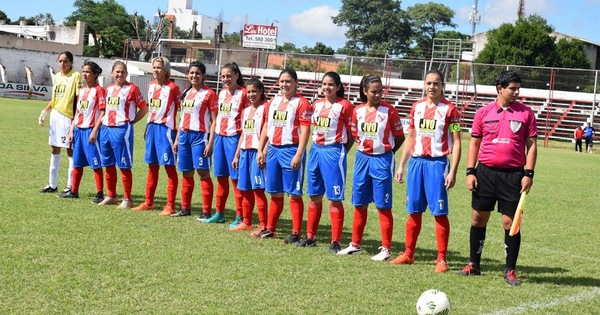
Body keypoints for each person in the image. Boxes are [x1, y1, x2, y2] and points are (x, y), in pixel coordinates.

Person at [457, 70, 537, 286]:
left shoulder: (526, 114)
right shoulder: (483, 113)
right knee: (477, 218)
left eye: (518, 88)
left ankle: (510, 270)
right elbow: (474, 143)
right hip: (485, 173)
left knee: (510, 222)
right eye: (512, 88)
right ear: (499, 88)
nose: (517, 92)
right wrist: (470, 171)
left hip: (513, 175)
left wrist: (528, 173)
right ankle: (474, 264)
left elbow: (531, 145)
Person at [389, 70, 461, 273]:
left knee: (439, 212)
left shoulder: (450, 110)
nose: (432, 87)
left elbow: (456, 142)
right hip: (416, 164)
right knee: (413, 210)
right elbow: (410, 137)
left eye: (436, 83)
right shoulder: (416, 107)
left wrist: (452, 171)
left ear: (442, 85)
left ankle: (441, 259)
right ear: (424, 84)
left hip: (437, 164)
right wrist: (402, 165)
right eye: (429, 83)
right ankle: (408, 254)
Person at [337, 74, 404, 261]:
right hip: (361, 159)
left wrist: (386, 152)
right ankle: (355, 245)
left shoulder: (389, 111)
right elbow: (354, 133)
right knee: (359, 202)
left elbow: (400, 138)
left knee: (383, 205)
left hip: (382, 159)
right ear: (365, 91)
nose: (378, 94)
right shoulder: (357, 111)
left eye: (380, 91)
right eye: (374, 91)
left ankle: (386, 249)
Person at [255, 68, 313, 243]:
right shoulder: (273, 102)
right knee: (275, 192)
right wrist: (261, 149)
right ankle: (270, 229)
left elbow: (305, 130)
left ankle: (296, 232)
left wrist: (299, 154)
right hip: (273, 150)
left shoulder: (301, 103)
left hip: (290, 150)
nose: (284, 84)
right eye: (282, 81)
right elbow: (266, 126)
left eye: (288, 81)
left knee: (294, 193)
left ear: (296, 83)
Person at [298, 71, 354, 253]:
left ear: (338, 87)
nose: (327, 87)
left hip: (334, 151)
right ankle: (310, 237)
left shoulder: (345, 106)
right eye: (324, 84)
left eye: (331, 84)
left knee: (334, 198)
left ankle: (336, 241)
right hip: (315, 150)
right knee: (314, 196)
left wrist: (342, 150)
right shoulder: (316, 104)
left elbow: (352, 133)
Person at [132, 56, 181, 215]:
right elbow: (152, 109)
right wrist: (147, 126)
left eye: (159, 67)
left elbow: (183, 111)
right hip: (152, 128)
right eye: (154, 67)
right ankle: (148, 202)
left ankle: (170, 205)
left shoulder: (173, 88)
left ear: (166, 70)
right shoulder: (151, 85)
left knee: (169, 168)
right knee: (152, 166)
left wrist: (179, 133)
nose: (155, 70)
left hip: (166, 130)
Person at [170, 61, 218, 219]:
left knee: (203, 172)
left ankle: (206, 211)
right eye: (191, 73)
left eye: (197, 73)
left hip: (200, 137)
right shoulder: (186, 92)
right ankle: (185, 208)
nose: (194, 76)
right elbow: (182, 117)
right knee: (186, 172)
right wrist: (177, 139)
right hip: (184, 136)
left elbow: (214, 120)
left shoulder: (209, 94)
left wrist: (210, 142)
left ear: (203, 75)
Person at [97, 61, 148, 207]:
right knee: (108, 163)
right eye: (117, 71)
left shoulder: (132, 89)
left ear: (127, 74)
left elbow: (144, 109)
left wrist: (130, 122)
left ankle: (127, 199)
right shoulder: (108, 89)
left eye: (123, 72)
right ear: (112, 73)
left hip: (121, 129)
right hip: (106, 128)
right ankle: (111, 195)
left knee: (124, 164)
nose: (120, 74)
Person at [202, 62, 247, 225]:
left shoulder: (244, 93)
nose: (226, 79)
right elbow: (216, 119)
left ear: (236, 75)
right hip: (220, 138)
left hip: (234, 138)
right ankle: (219, 213)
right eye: (223, 76)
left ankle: (239, 216)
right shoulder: (221, 93)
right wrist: (212, 142)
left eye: (229, 76)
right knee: (221, 177)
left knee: (235, 179)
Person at [59, 61, 106, 203]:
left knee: (95, 163)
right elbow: (78, 112)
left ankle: (99, 193)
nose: (84, 74)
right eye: (83, 71)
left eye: (87, 72)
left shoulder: (99, 90)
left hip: (90, 131)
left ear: (95, 74)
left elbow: (103, 112)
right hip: (79, 130)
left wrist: (94, 131)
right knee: (77, 163)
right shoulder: (82, 90)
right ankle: (74, 191)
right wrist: (72, 130)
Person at [38, 51, 80, 194]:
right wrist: (45, 111)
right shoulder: (56, 77)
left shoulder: (75, 76)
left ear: (71, 63)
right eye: (60, 61)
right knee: (54, 148)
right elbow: (55, 98)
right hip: (55, 116)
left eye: (66, 61)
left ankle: (70, 186)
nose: (62, 64)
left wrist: (75, 119)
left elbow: (78, 99)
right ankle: (52, 184)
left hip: (67, 117)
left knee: (70, 150)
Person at [230, 78, 269, 233]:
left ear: (261, 91)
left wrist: (263, 152)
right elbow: (243, 134)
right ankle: (246, 221)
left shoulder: (266, 108)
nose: (251, 94)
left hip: (256, 153)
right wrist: (237, 155)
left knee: (258, 189)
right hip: (245, 152)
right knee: (245, 188)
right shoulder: (245, 111)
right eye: (249, 92)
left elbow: (269, 133)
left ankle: (263, 225)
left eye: (254, 91)